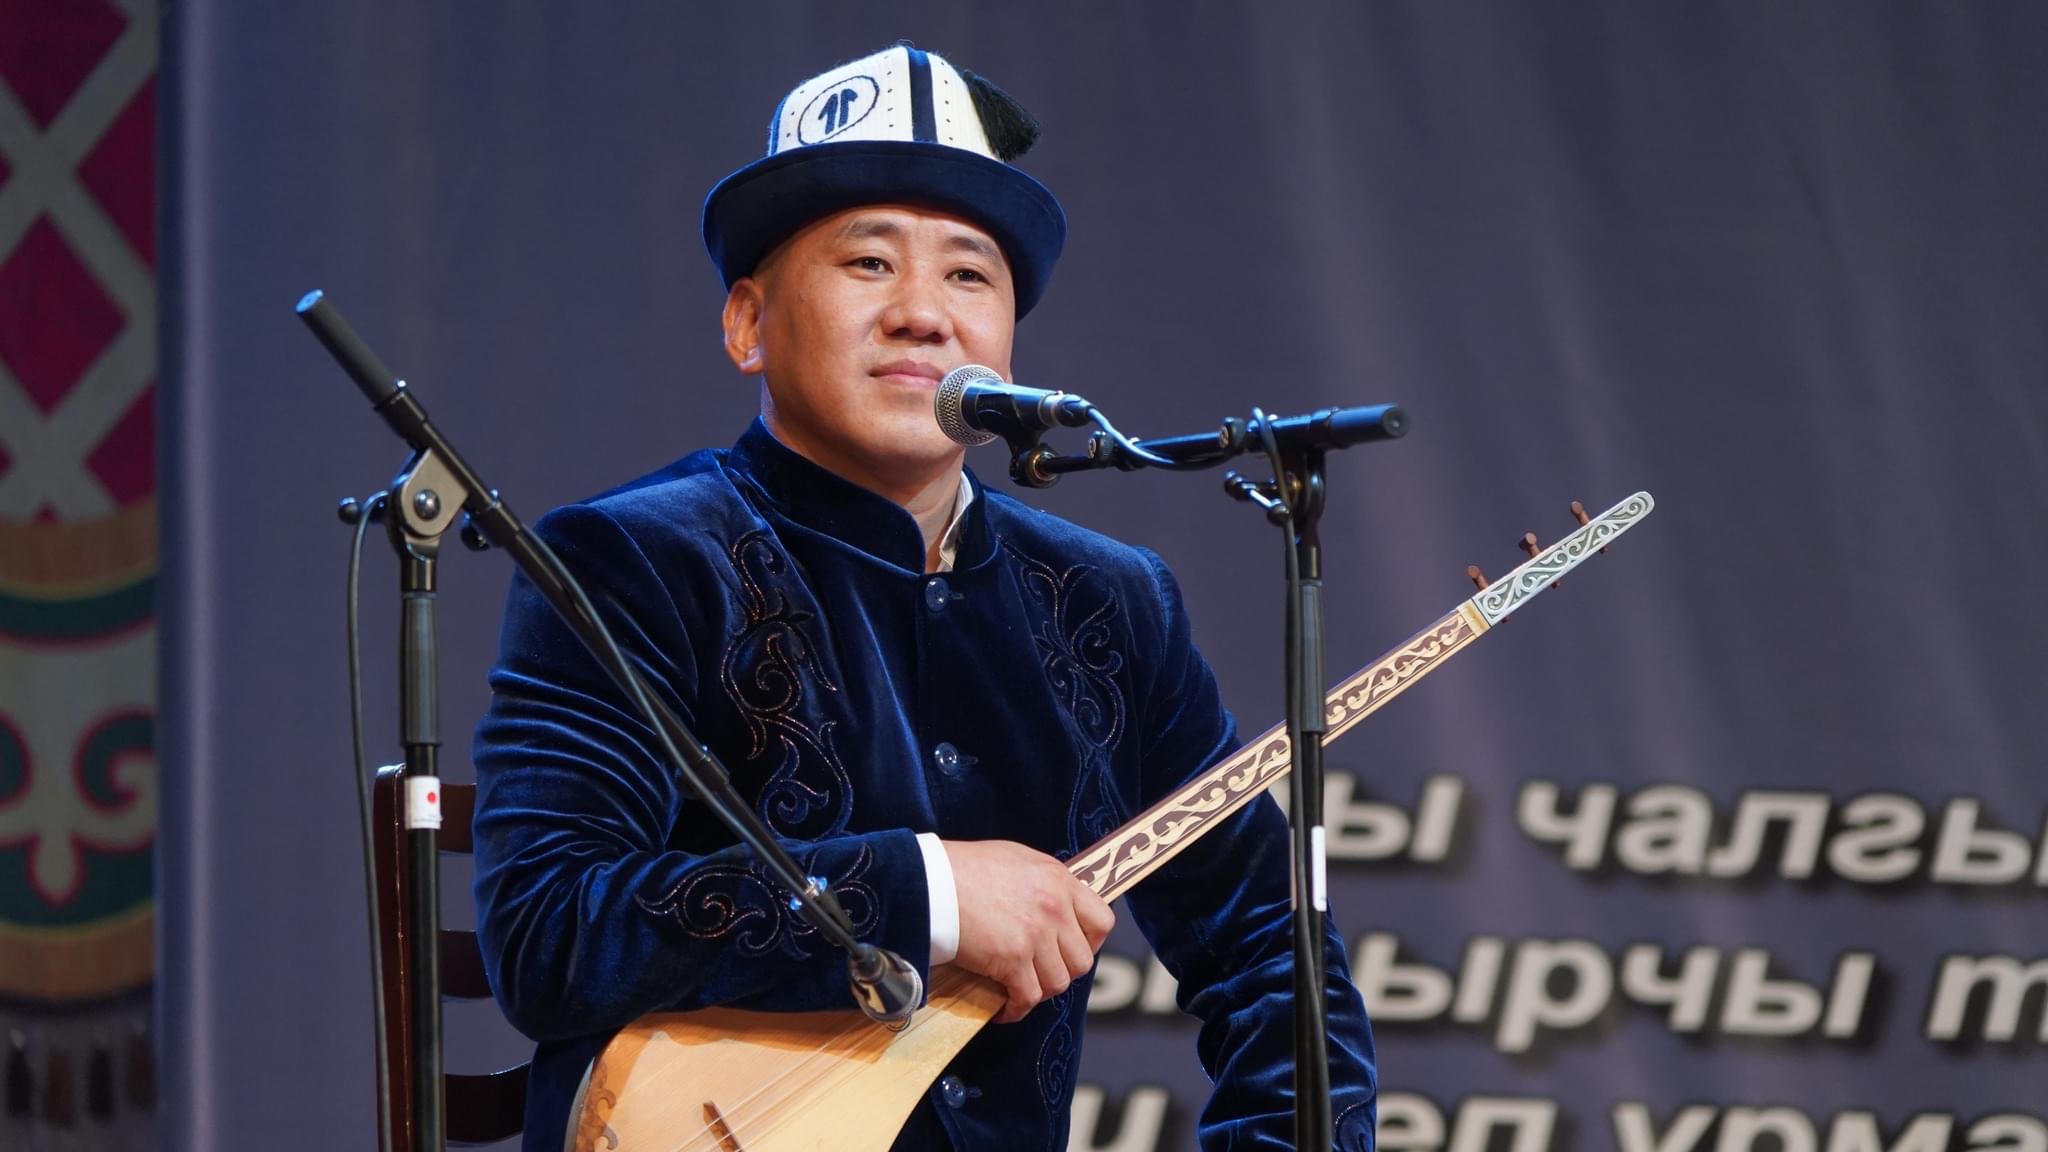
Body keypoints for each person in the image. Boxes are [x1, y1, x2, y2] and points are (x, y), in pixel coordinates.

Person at [471, 43, 1378, 1151]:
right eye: (867, 262)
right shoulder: (631, 559)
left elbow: (1273, 954)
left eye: (968, 276)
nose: (922, 314)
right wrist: (927, 892)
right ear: (748, 324)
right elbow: (550, 933)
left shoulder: (1109, 598)